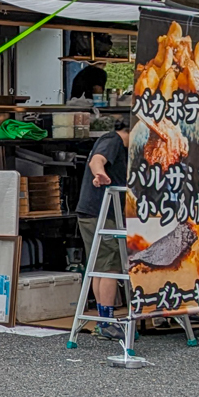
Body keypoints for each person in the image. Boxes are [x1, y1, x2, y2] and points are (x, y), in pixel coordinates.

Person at [73, 116, 133, 313]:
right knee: (110, 266)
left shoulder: (113, 142)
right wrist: (100, 173)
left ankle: (103, 317)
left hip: (92, 212)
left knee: (100, 265)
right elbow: (97, 160)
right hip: (101, 212)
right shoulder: (112, 140)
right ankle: (106, 320)